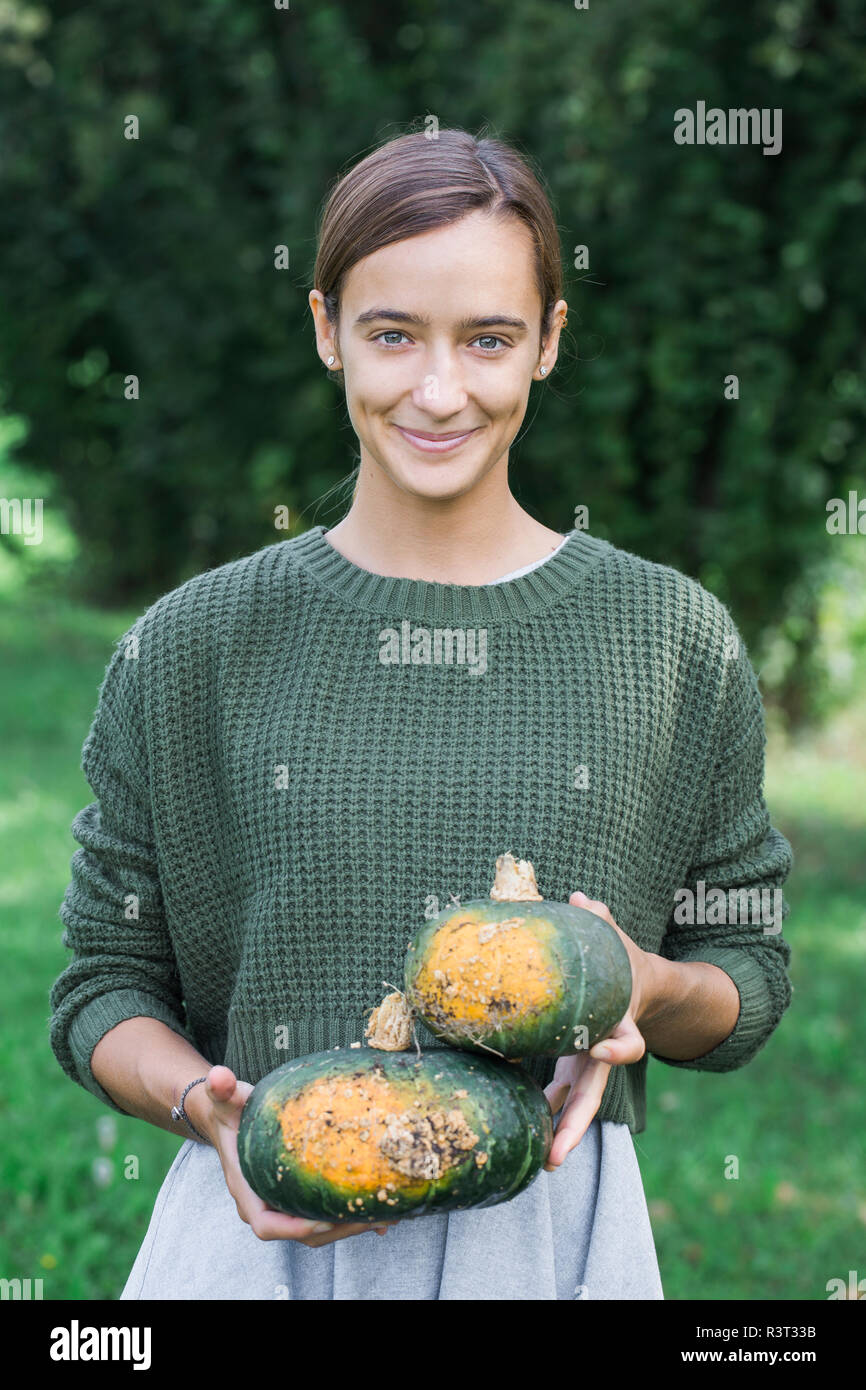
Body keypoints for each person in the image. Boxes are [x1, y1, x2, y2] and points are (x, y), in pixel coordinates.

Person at [49, 126, 794, 1301]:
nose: (437, 390)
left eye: (487, 338)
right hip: (259, 1236)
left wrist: (639, 983)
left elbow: (743, 973)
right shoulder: (191, 644)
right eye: (391, 333)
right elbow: (104, 985)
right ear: (324, 329)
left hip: (545, 1241)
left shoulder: (668, 640)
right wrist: (213, 1111)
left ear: (547, 342)